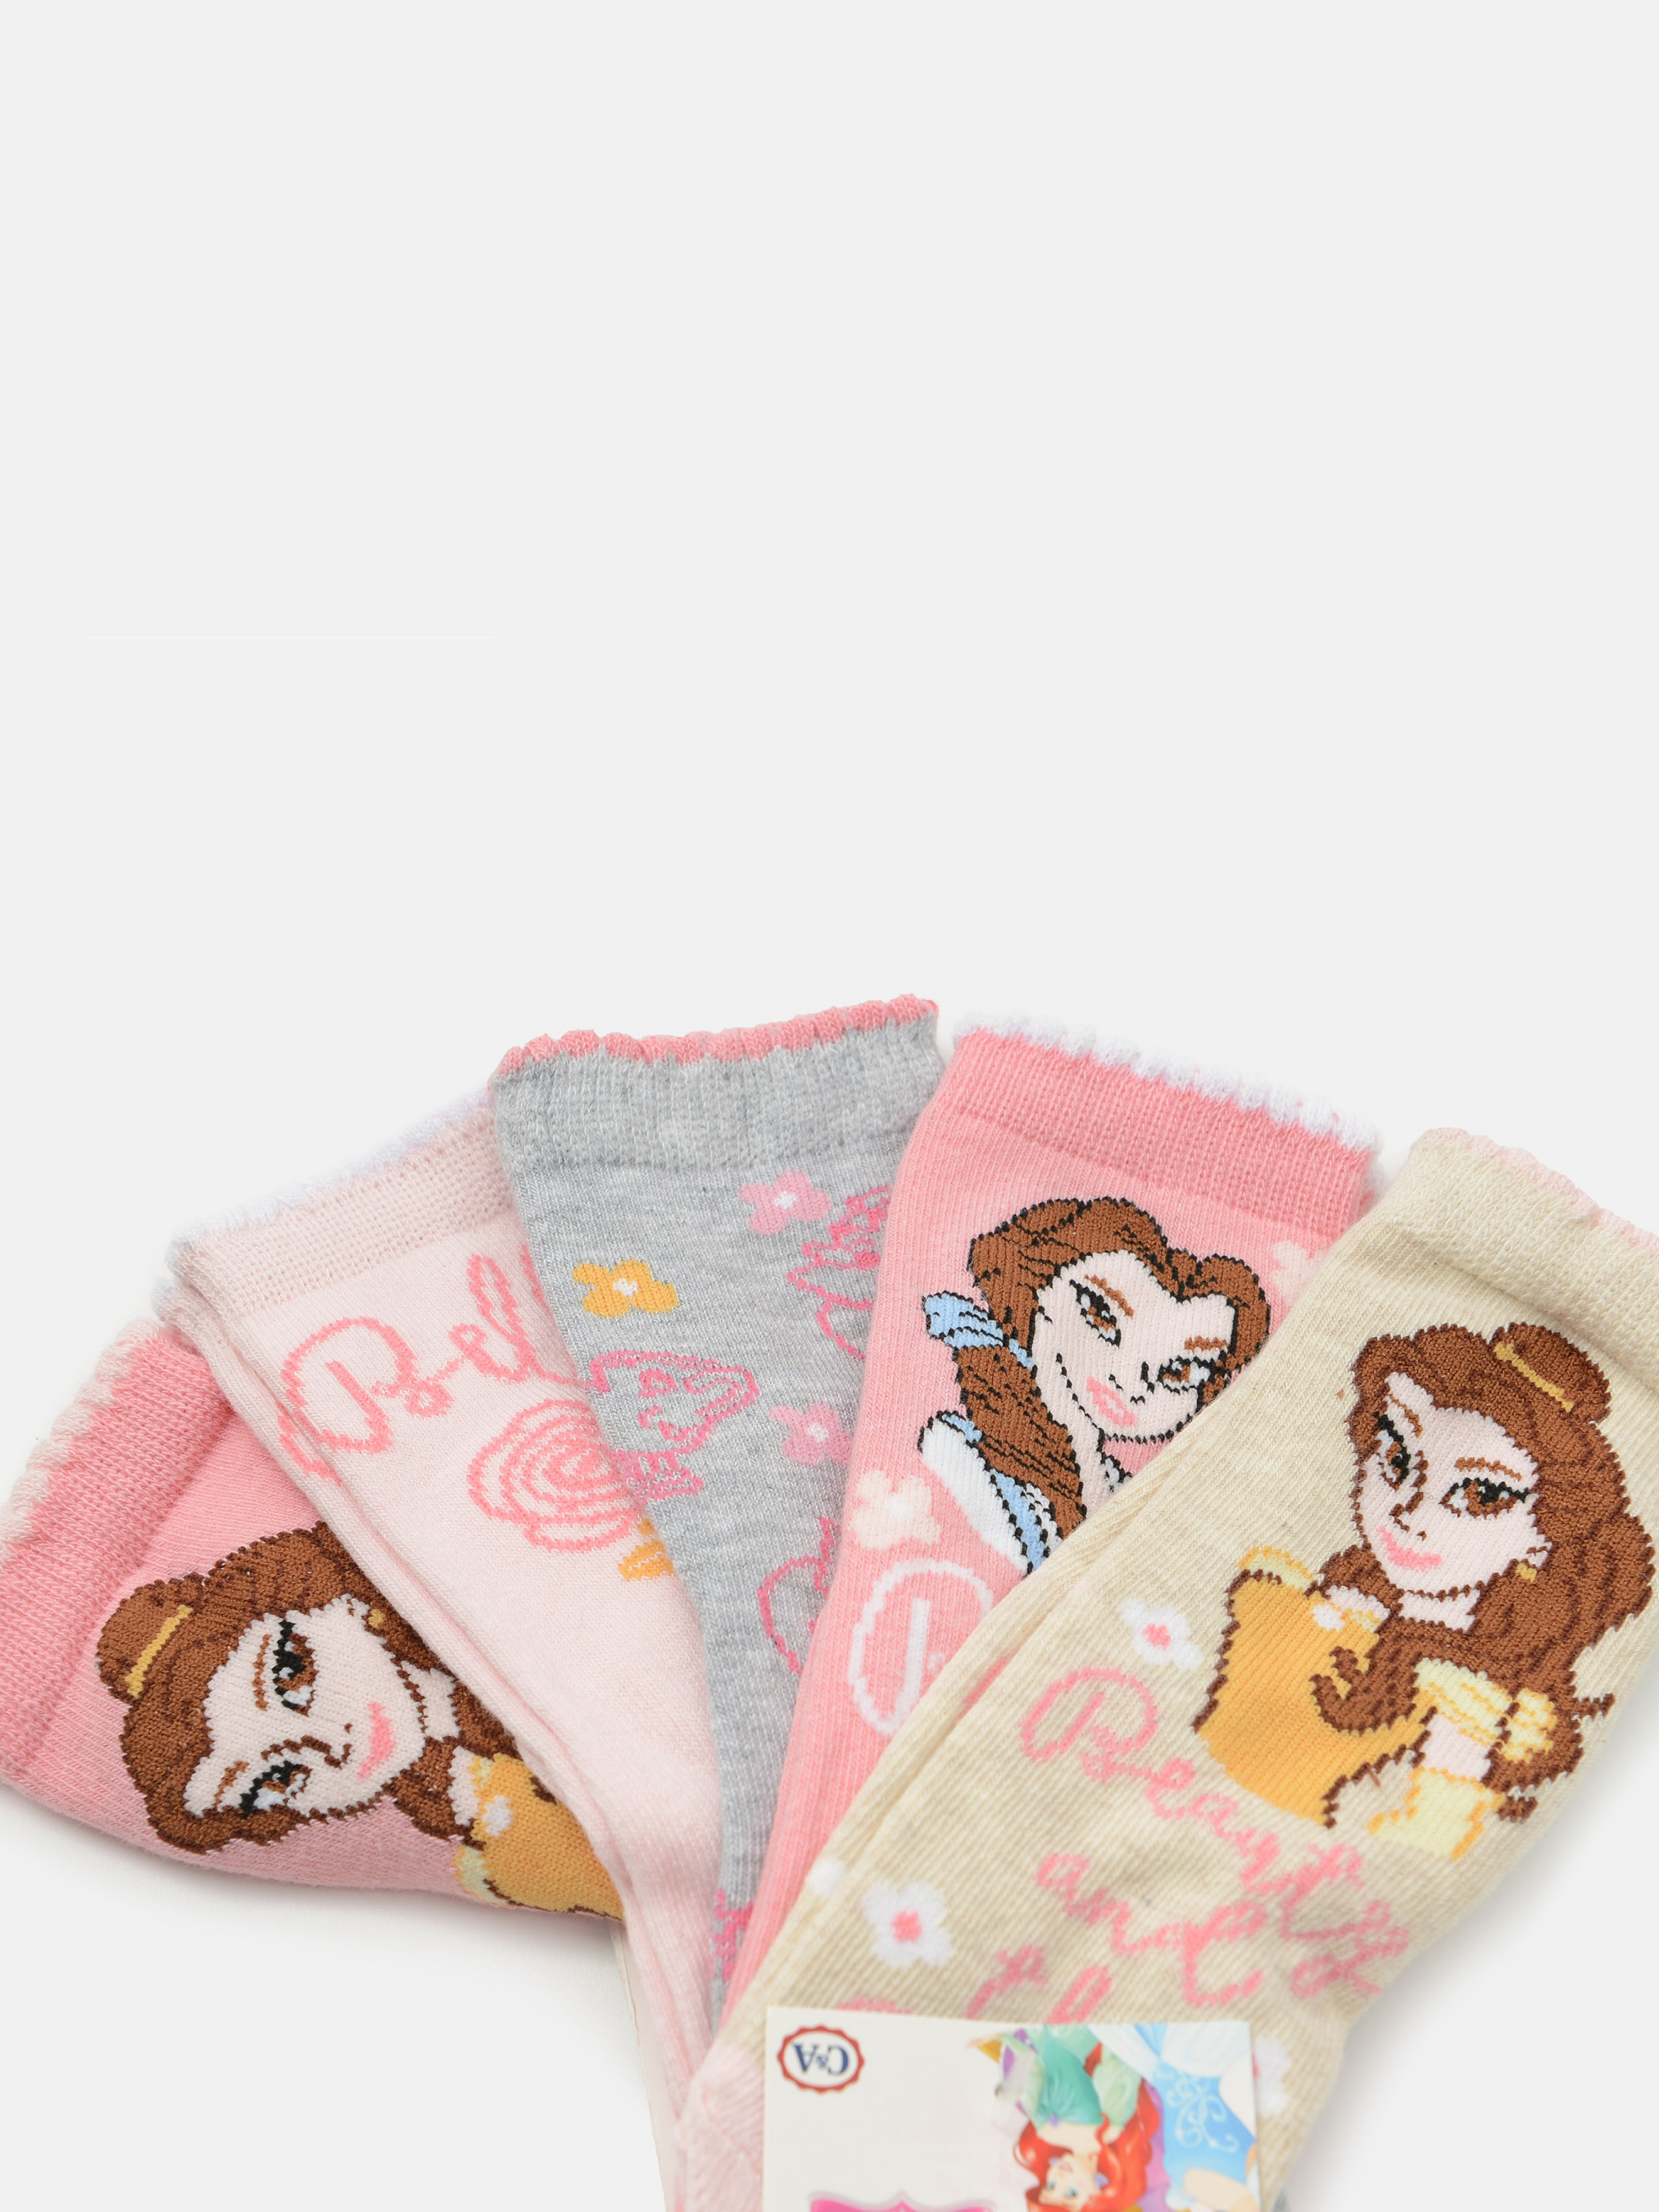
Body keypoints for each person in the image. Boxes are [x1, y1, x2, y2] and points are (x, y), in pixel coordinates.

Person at [1197, 1321, 1653, 1858]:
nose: (1407, 1512)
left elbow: (1425, 1836)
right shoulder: (1330, 1596)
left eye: (1481, 1495)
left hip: (1287, 1858)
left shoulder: (1474, 1703)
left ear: (1543, 1542)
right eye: (1396, 1458)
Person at [97, 1521, 620, 1913]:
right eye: (276, 1778)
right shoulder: (479, 1818)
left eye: (293, 1675)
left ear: (328, 1595)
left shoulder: (489, 1597)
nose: (329, 1747)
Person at [921, 1197, 1269, 1574]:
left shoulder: (1126, 1494)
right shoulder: (958, 1456)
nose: (1132, 1383)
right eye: (1101, 1315)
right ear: (1036, 1282)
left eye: (1180, 1373)